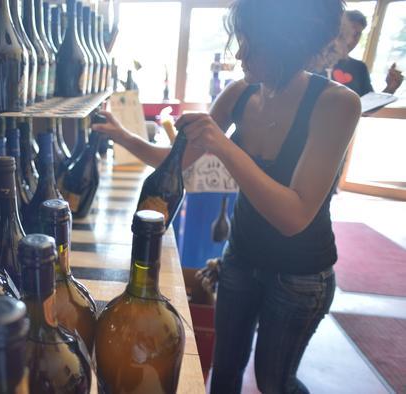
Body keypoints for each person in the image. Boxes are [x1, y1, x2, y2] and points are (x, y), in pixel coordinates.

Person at [92, 0, 361, 393]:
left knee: (273, 381)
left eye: (252, 45)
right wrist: (120, 133)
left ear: (288, 44)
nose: (240, 54)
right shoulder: (239, 94)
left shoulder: (337, 104)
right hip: (240, 257)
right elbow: (175, 162)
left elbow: (295, 215)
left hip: (301, 274)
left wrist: (225, 146)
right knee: (223, 370)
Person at [331, 10, 403, 96]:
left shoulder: (360, 68)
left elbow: (368, 105)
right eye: (349, 32)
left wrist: (390, 88)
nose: (351, 39)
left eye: (357, 34)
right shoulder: (317, 62)